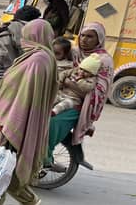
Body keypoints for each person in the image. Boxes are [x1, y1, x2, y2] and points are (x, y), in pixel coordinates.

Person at [0, 19, 57, 205]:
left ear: (35, 37)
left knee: (6, 160)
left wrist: (12, 123)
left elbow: (24, 94)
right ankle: (14, 200)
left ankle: (1, 201)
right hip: (17, 116)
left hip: (17, 118)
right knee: (7, 161)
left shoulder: (37, 60)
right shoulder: (42, 57)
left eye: (25, 36)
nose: (21, 41)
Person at [44, 22, 113, 169]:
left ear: (99, 39)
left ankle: (44, 160)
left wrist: (68, 83)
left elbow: (98, 91)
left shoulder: (103, 60)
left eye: (90, 36)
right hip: (57, 95)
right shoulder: (73, 52)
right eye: (82, 35)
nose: (84, 39)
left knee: (51, 124)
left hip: (78, 105)